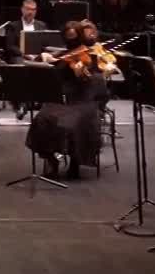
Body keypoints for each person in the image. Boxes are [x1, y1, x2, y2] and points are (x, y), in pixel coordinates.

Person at [25, 21, 106, 180]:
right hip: (61, 99)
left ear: (80, 37)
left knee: (73, 124)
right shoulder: (64, 54)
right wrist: (44, 58)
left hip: (83, 100)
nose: (71, 41)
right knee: (41, 120)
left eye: (74, 37)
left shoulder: (90, 56)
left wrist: (82, 75)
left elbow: (97, 81)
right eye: (68, 37)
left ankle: (75, 162)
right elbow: (47, 66)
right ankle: (51, 159)